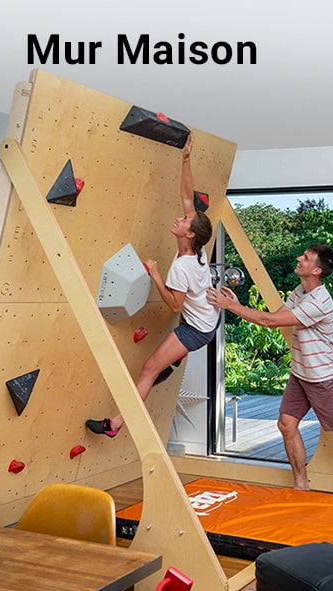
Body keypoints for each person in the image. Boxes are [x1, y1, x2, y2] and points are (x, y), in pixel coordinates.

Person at [206, 243, 333, 502]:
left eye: (305, 258)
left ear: (316, 270)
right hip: (300, 374)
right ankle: (301, 485)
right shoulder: (301, 291)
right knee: (286, 424)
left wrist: (229, 306)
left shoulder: (319, 301)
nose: (298, 259)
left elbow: (269, 322)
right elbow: (272, 318)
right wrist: (237, 303)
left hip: (321, 378)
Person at [86, 133, 220, 438]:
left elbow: (175, 305)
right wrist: (186, 160)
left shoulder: (183, 266)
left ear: (189, 235)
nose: (179, 218)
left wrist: (156, 276)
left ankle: (115, 425)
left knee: (148, 370)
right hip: (206, 320)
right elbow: (188, 197)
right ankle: (171, 361)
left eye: (184, 222)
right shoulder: (195, 249)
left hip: (196, 329)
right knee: (155, 368)